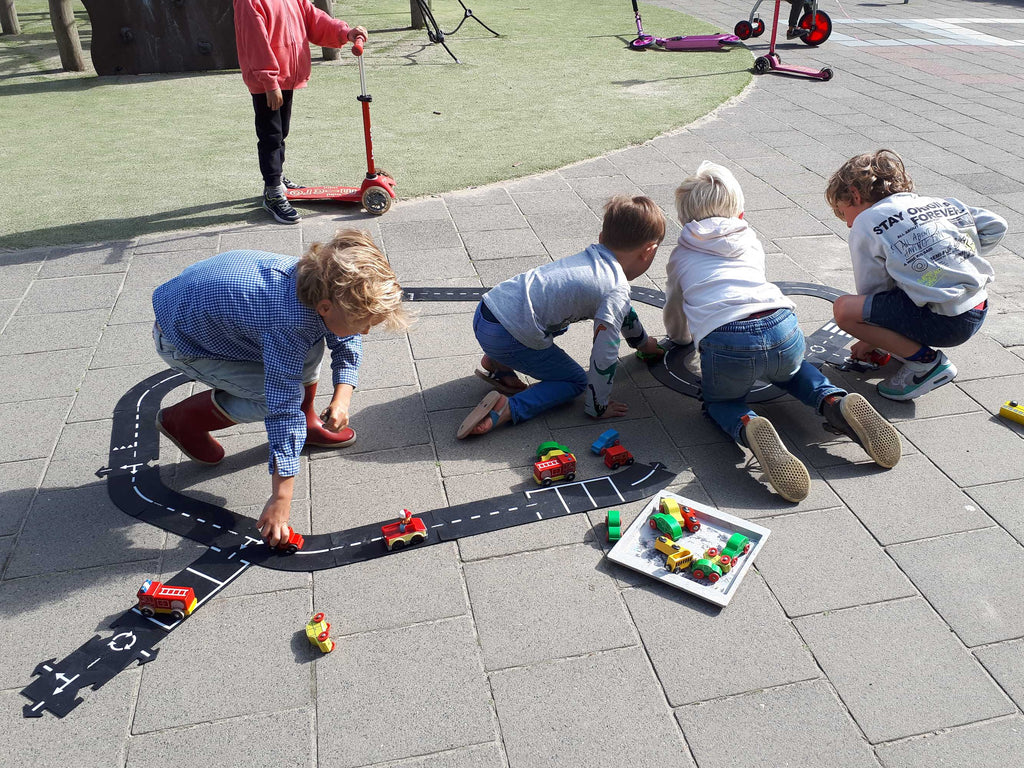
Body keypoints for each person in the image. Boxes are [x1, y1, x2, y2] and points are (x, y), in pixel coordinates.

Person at [151, 228, 408, 545]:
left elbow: (346, 336)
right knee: (273, 396)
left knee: (307, 349)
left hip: (205, 308)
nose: (366, 331)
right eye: (364, 323)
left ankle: (308, 424)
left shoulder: (323, 283)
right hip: (182, 340)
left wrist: (342, 398)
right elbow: (282, 408)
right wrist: (281, 498)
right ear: (325, 307)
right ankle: (183, 420)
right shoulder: (289, 322)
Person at [664, 162, 901, 503]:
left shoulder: (681, 255)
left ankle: (747, 424)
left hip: (727, 340)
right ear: (739, 212)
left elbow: (675, 306)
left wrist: (680, 338)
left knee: (720, 400)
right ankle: (834, 401)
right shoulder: (748, 239)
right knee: (793, 371)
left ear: (684, 219)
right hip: (782, 326)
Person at [457, 195, 667, 439]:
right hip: (507, 336)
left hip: (488, 311)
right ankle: (507, 408)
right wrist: (597, 405)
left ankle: (498, 363)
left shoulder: (594, 259)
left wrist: (644, 344)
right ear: (649, 251)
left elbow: (623, 312)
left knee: (555, 319)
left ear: (602, 238)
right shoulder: (615, 288)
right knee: (574, 381)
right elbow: (605, 353)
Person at [826, 149, 1007, 401]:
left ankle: (927, 364)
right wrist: (956, 256)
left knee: (845, 309)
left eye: (843, 212)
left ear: (855, 195)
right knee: (901, 293)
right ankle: (909, 349)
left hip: (946, 323)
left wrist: (870, 339)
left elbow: (873, 293)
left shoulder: (866, 222)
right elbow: (996, 225)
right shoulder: (939, 203)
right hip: (978, 308)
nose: (847, 223)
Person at [233, 0, 367, 225]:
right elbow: (255, 41)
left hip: (286, 75)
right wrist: (269, 81)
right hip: (268, 82)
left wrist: (345, 33)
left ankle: (277, 178)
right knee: (271, 135)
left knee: (281, 132)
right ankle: (272, 191)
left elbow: (313, 18)